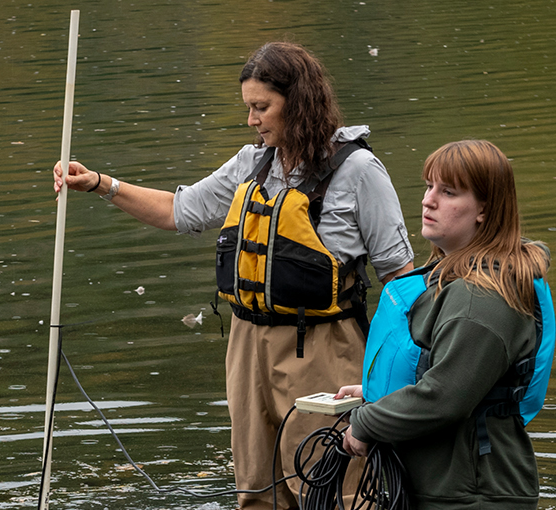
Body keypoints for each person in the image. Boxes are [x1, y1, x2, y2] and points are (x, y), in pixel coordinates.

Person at [52, 42, 414, 509]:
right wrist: (102, 183)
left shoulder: (359, 171)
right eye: (249, 108)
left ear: (300, 103)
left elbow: (401, 280)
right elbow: (179, 210)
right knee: (257, 491)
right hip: (247, 349)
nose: (252, 120)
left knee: (334, 490)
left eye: (261, 107)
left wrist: (396, 381)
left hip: (324, 346)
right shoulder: (252, 163)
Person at [336, 140, 552, 509]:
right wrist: (382, 391)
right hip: (448, 485)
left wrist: (367, 422)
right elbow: (454, 373)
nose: (428, 200)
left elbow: (444, 396)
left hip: (472, 494)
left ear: (484, 209)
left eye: (448, 192)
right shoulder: (461, 279)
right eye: (429, 186)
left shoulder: (482, 297)